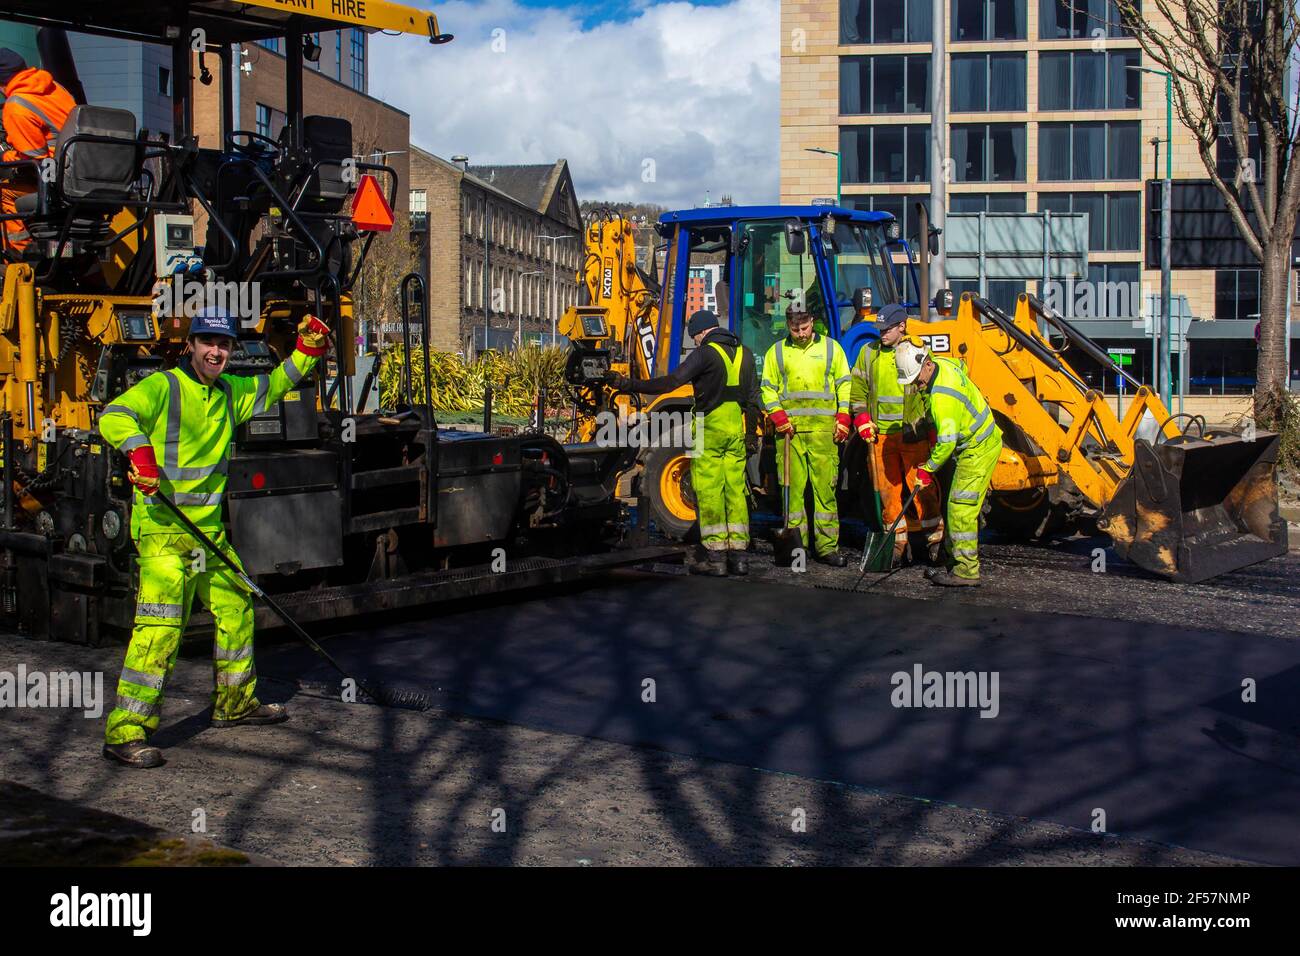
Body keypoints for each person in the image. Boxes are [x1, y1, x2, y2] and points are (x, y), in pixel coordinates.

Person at [96, 307, 331, 768]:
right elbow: (115, 414)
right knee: (161, 628)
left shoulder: (230, 393)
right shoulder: (164, 387)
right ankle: (125, 732)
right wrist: (141, 454)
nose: (216, 351)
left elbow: (276, 384)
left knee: (236, 606)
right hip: (164, 531)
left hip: (206, 535)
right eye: (208, 343)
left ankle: (235, 703)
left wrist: (308, 350)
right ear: (191, 345)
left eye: (224, 345)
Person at [610, 309, 760, 576]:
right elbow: (752, 399)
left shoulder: (704, 354)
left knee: (710, 491)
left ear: (702, 333)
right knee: (736, 492)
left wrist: (629, 384)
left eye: (695, 337)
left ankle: (716, 560)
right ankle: (739, 558)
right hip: (736, 427)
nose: (696, 342)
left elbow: (671, 382)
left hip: (709, 428)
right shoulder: (745, 354)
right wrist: (750, 436)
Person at [895, 339, 1003, 587]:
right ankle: (955, 561)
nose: (917, 385)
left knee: (960, 507)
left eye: (918, 380)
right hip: (977, 442)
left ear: (927, 365)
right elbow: (961, 368)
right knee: (956, 502)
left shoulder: (943, 396)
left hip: (979, 448)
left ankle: (966, 572)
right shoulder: (944, 364)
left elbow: (946, 444)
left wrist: (927, 470)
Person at [850, 303, 944, 567]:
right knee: (887, 492)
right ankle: (896, 543)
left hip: (913, 435)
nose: (882, 334)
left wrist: (933, 431)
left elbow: (929, 391)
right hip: (879, 436)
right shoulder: (868, 354)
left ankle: (935, 541)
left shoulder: (917, 351)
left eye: (887, 329)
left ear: (902, 326)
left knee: (922, 488)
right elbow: (857, 390)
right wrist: (862, 419)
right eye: (879, 329)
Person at [761, 306, 851, 567]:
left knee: (825, 494)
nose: (800, 334)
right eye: (795, 329)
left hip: (824, 434)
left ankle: (826, 549)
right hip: (790, 435)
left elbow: (844, 383)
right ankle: (798, 550)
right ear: (788, 326)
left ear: (813, 321)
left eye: (804, 328)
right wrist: (778, 416)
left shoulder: (832, 349)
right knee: (793, 495)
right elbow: (767, 388)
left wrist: (843, 416)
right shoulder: (776, 352)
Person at [0, 49, 75, 256]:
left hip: (54, 176)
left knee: (5, 192)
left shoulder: (16, 105)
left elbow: (33, 161)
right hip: (78, 171)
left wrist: (5, 156)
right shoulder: (54, 87)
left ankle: (22, 255)